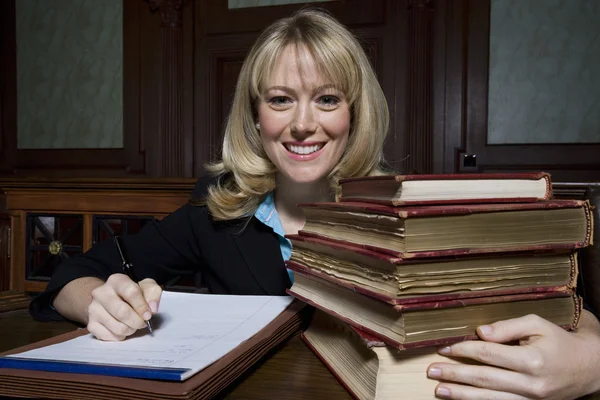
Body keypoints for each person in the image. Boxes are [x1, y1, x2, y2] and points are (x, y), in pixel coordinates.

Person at [29, 8, 600, 400]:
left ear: (355, 113)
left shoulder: (409, 221)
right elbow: (75, 273)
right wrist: (96, 302)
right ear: (256, 116)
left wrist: (592, 363)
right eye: (281, 100)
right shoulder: (215, 216)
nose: (304, 124)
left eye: (327, 99)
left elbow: (557, 308)